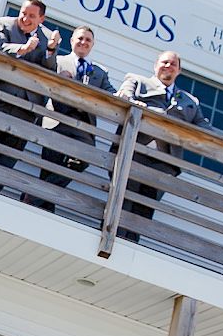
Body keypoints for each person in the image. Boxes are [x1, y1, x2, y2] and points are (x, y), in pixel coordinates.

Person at [115, 50, 209, 242]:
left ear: (179, 70)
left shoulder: (190, 101)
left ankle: (131, 245)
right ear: (155, 65)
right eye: (165, 62)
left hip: (163, 163)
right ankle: (113, 237)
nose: (168, 66)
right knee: (122, 199)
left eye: (173, 64)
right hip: (132, 153)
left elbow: (204, 127)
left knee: (145, 208)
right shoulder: (137, 81)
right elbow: (123, 96)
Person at [0, 0, 62, 193]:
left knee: (10, 152)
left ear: (41, 19)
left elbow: (50, 69)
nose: (25, 19)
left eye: (32, 16)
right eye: (23, 13)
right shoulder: (5, 24)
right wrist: (22, 49)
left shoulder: (47, 38)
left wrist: (51, 50)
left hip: (27, 107)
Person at [24, 26, 117, 213]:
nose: (83, 42)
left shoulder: (100, 72)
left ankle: (33, 196)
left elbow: (111, 93)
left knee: (83, 160)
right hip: (57, 120)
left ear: (93, 45)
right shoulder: (59, 61)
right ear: (72, 40)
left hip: (84, 127)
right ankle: (45, 209)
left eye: (88, 40)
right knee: (50, 166)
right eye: (80, 38)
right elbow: (46, 72)